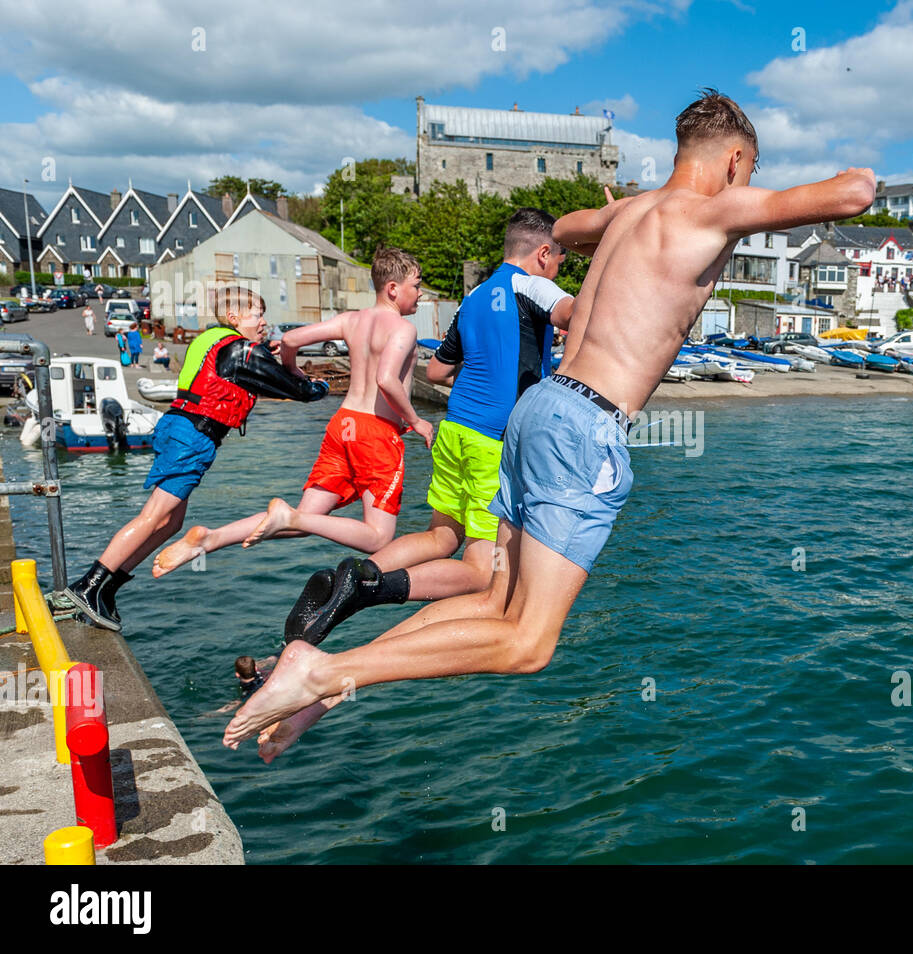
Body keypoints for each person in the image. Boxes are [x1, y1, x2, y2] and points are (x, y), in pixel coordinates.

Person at [223, 88, 877, 759]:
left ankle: (315, 689)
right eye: (752, 168)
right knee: (528, 644)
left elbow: (562, 229)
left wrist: (615, 213)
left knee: (494, 600)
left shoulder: (630, 214)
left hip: (537, 408)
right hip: (585, 426)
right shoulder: (714, 210)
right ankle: (324, 671)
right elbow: (854, 192)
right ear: (735, 159)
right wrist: (847, 177)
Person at [283, 210, 575, 646]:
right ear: (543, 253)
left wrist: (492, 372)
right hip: (491, 442)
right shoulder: (534, 285)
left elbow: (437, 370)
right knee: (480, 573)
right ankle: (371, 587)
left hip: (455, 428)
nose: (558, 270)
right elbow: (581, 312)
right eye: (560, 261)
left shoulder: (475, 297)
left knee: (442, 536)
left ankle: (361, 570)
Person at [152, 246, 433, 578]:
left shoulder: (352, 320)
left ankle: (209, 540)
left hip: (342, 426)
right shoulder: (403, 329)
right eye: (416, 285)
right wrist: (417, 421)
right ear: (392, 288)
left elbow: (291, 339)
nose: (420, 293)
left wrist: (293, 371)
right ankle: (290, 518)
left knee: (302, 518)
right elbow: (385, 378)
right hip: (375, 433)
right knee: (378, 537)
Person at [61, 286, 330, 631]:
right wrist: (317, 387)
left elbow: (243, 367)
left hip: (179, 428)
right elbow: (297, 390)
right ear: (235, 318)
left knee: (171, 523)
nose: (264, 321)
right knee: (154, 515)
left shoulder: (216, 341)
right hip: (192, 436)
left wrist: (265, 351)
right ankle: (87, 587)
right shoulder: (238, 350)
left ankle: (109, 588)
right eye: (257, 315)